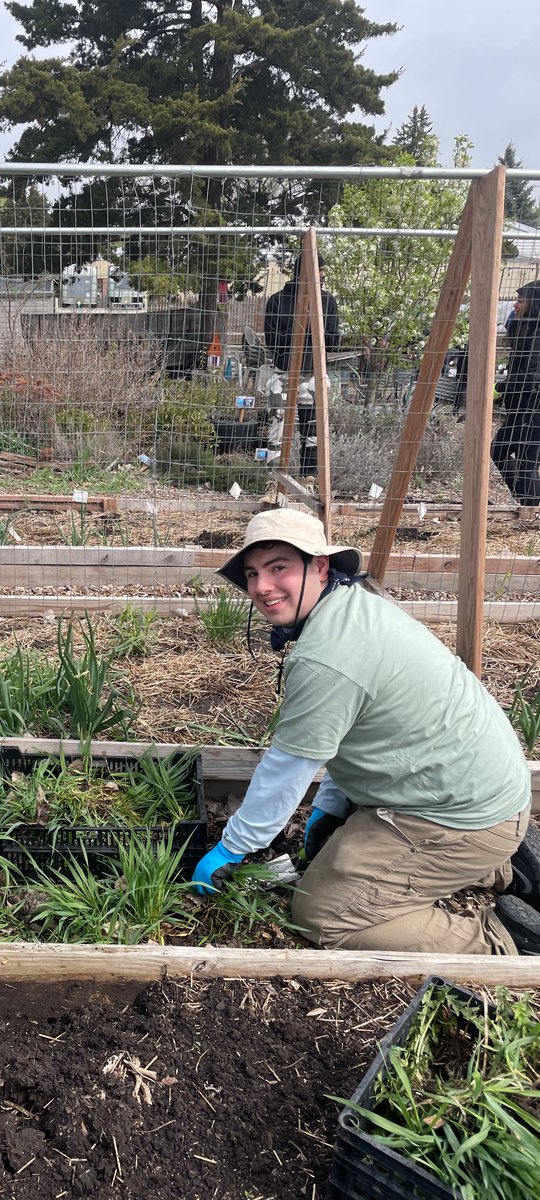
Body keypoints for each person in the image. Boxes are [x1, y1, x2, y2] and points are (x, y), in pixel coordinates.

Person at [191, 507, 540, 956]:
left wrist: (232, 848)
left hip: (457, 816)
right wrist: (330, 808)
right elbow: (355, 734)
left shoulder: (325, 656)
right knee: (334, 858)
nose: (261, 586)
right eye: (253, 572)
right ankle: (509, 867)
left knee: (323, 912)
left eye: (279, 568)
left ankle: (507, 941)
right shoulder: (355, 607)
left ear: (319, 566)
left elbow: (289, 767)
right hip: (476, 793)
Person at [263, 256, 340, 477]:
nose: (323, 276)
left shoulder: (327, 302)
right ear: (303, 275)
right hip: (284, 375)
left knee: (314, 432)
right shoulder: (277, 301)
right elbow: (273, 343)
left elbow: (333, 342)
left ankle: (309, 480)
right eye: (319, 271)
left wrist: (312, 326)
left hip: (315, 375)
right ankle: (275, 483)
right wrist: (301, 326)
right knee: (277, 431)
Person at [490, 280, 540, 510]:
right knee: (502, 451)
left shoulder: (536, 338)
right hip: (519, 406)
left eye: (521, 301)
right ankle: (528, 500)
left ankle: (529, 506)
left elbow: (530, 375)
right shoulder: (524, 330)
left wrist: (500, 388)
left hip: (532, 409)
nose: (514, 305)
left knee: (525, 459)